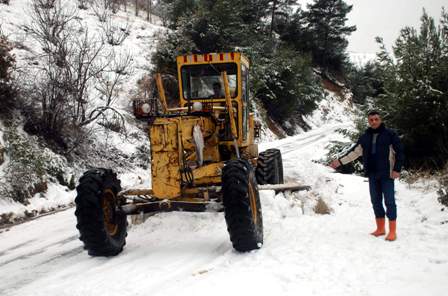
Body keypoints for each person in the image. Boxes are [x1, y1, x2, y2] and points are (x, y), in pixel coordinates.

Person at [329, 110, 404, 241]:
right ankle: (380, 229)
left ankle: (392, 231)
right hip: (372, 174)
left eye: (376, 119)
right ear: (368, 121)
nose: (374, 122)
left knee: (389, 202)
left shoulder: (390, 135)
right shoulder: (365, 137)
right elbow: (354, 152)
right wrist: (339, 162)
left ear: (380, 120)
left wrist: (396, 169)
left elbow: (400, 153)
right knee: (375, 201)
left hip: (387, 174)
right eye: (371, 120)